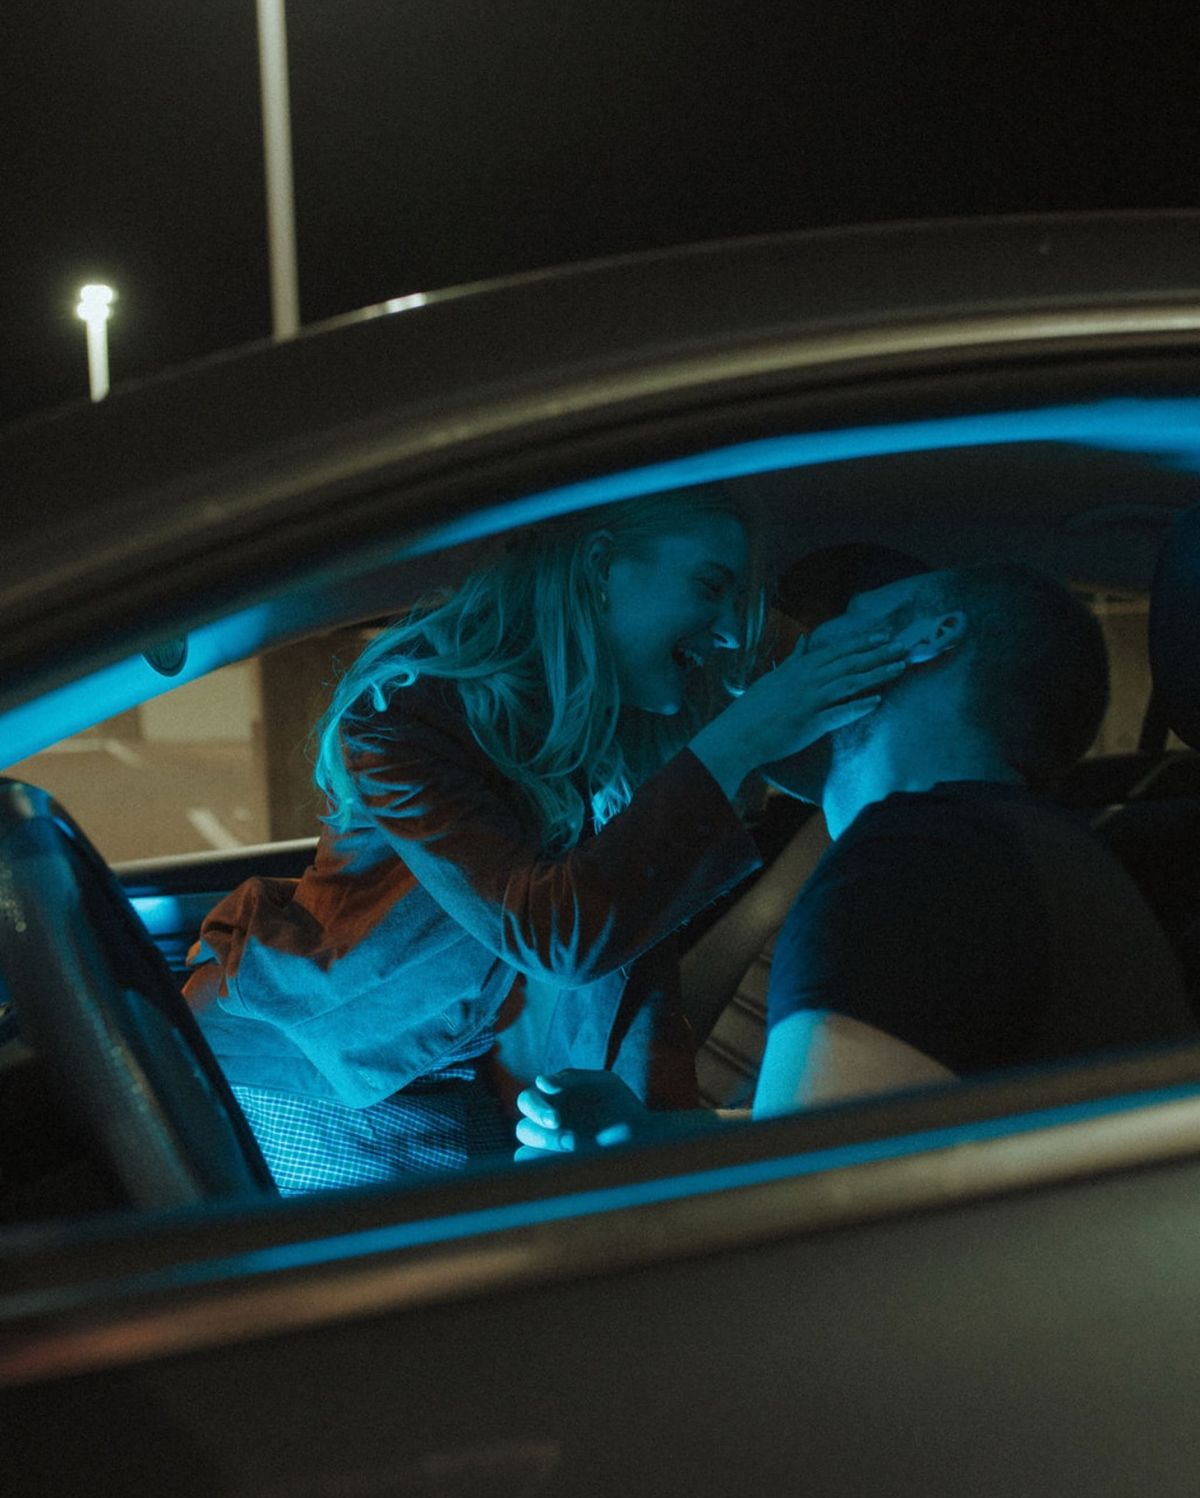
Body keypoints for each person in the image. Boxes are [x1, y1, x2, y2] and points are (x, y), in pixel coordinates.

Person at [183, 489, 910, 1193]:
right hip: (331, 1074)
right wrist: (740, 738)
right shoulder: (407, 710)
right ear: (598, 570)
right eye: (709, 586)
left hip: (462, 1082)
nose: (725, 629)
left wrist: (663, 1140)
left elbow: (836, 766)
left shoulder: (634, 717)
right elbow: (553, 931)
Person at [515, 561, 1198, 1154]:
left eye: (850, 617)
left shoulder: (919, 860)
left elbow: (802, 1211)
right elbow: (864, 1125)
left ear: (929, 638)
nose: (800, 649)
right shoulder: (1004, 847)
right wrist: (638, 1141)